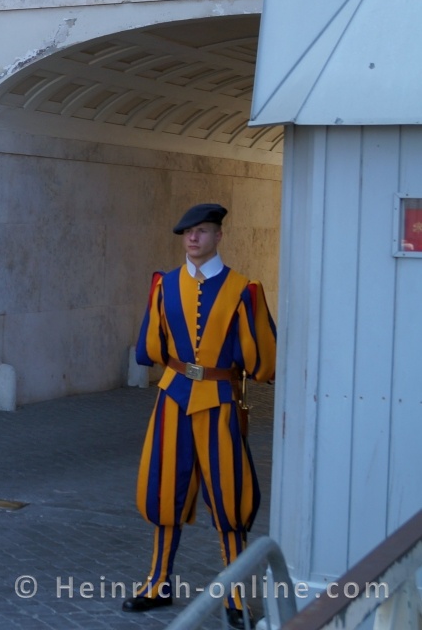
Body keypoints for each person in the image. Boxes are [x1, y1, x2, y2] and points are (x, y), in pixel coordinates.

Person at [122, 203, 276, 630]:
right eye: (188, 232)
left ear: (218, 236)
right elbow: (151, 348)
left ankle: (235, 593)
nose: (193, 238)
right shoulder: (165, 285)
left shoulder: (243, 289)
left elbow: (262, 362)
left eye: (203, 230)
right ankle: (158, 583)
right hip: (172, 397)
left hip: (220, 399)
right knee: (164, 489)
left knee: (230, 496)